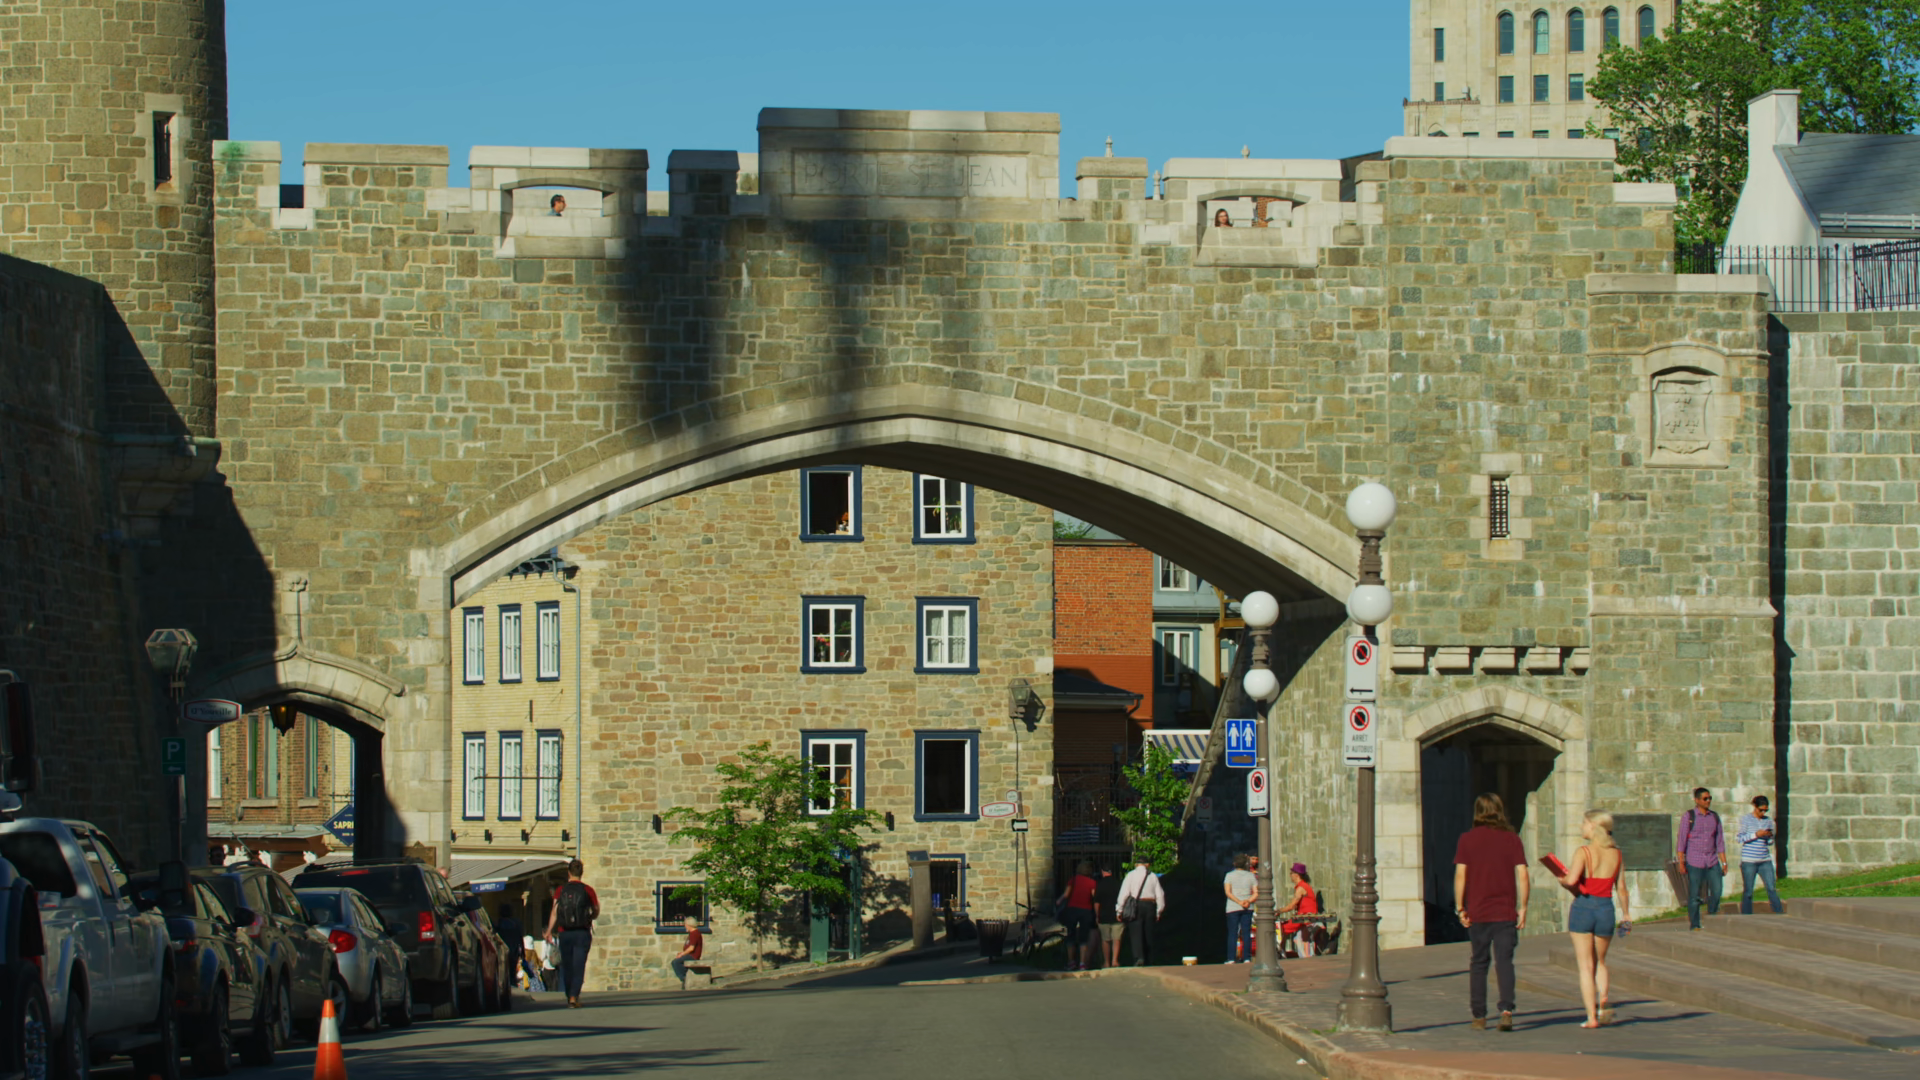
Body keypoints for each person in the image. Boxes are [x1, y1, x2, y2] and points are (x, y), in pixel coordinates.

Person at [1454, 792, 1529, 1032]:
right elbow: (1523, 874)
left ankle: (1479, 1015)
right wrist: (1523, 906)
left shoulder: (1467, 839)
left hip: (1478, 910)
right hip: (1505, 911)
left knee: (1479, 962)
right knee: (1504, 961)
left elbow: (1461, 875)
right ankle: (1506, 1009)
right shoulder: (1512, 839)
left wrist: (1460, 907)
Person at [1556, 810, 1631, 1029]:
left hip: (1584, 907)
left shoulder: (1584, 852)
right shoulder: (1617, 854)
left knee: (1585, 966)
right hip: (1605, 908)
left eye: (1584, 823)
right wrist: (1626, 914)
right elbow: (1622, 888)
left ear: (1593, 826)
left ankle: (1591, 1017)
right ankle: (1603, 999)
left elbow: (1571, 880)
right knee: (1601, 961)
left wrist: (1561, 878)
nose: (1581, 827)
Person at [545, 858, 599, 1007]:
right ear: (581, 873)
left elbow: (554, 912)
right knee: (579, 965)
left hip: (565, 932)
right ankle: (574, 996)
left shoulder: (561, 890)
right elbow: (596, 909)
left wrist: (549, 930)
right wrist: (591, 917)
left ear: (568, 873)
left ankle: (570, 995)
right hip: (582, 932)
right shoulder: (588, 890)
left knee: (567, 965)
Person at [1676, 787, 1727, 930]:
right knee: (1694, 894)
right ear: (1697, 800)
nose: (1708, 801)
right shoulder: (1689, 816)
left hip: (1712, 860)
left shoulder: (1714, 817)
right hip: (1695, 860)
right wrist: (1681, 862)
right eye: (1705, 798)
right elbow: (1681, 841)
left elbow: (1719, 841)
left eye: (1710, 798)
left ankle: (1711, 917)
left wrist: (1724, 862)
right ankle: (1695, 924)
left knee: (1717, 891)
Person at [1116, 857, 1166, 966]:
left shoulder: (1130, 875)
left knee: (1136, 933)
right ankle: (1149, 958)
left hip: (1136, 906)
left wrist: (1119, 910)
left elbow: (1124, 893)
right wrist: (1159, 911)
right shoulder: (1153, 876)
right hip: (1150, 905)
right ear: (1147, 865)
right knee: (1148, 933)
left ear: (1136, 865)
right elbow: (1160, 895)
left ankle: (1139, 958)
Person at [1738, 795, 1784, 915]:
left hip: (1764, 859)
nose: (1763, 813)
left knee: (1771, 888)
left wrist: (1769, 836)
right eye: (1761, 810)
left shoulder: (1768, 821)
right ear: (1755, 807)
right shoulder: (1746, 819)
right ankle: (1746, 915)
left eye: (1765, 810)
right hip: (1749, 860)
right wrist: (1756, 835)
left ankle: (1779, 913)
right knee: (1748, 890)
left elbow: (1770, 842)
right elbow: (1740, 838)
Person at [1054, 860, 1100, 971]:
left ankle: (1071, 962)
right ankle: (1082, 963)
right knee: (1084, 938)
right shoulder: (1092, 882)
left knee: (1071, 936)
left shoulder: (1073, 880)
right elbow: (1094, 897)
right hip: (1086, 911)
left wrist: (1059, 901)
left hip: (1072, 910)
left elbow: (1066, 894)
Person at [1277, 863, 1320, 957]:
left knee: (1282, 928)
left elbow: (1291, 906)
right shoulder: (1304, 886)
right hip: (1304, 916)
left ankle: (1282, 952)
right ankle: (1304, 956)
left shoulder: (1301, 888)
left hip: (1305, 917)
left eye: (1291, 873)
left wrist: (1278, 911)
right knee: (1299, 938)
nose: (1290, 875)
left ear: (1296, 875)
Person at [1223, 854, 1258, 963]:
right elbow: (1256, 892)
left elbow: (1228, 892)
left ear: (1234, 864)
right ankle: (1247, 957)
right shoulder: (1251, 876)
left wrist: (1239, 902)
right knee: (1246, 932)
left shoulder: (1229, 875)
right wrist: (1248, 901)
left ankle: (1231, 958)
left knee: (1232, 933)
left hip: (1233, 907)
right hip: (1248, 907)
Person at [1093, 865, 1124, 969]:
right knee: (1116, 939)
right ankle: (1115, 960)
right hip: (1117, 915)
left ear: (1103, 872)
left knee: (1105, 939)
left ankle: (1106, 962)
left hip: (1104, 915)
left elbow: (1097, 903)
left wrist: (1097, 915)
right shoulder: (1118, 884)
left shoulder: (1100, 885)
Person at [670, 916, 704, 987]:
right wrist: (682, 953)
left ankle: (684, 978)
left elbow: (691, 948)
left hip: (693, 956)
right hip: (690, 955)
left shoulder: (695, 933)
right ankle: (685, 978)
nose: (685, 926)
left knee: (675, 962)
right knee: (678, 961)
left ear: (689, 925)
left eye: (685, 924)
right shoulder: (692, 933)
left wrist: (682, 954)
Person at [495, 904, 524, 985]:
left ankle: (506, 984)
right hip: (514, 950)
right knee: (512, 970)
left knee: (504, 970)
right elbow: (520, 937)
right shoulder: (516, 923)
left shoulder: (499, 923)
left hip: (503, 950)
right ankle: (512, 983)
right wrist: (522, 952)